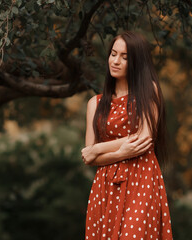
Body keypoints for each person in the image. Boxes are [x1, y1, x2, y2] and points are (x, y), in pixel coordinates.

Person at [81, 31, 173, 240]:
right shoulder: (94, 104)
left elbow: (144, 138)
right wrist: (121, 152)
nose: (116, 61)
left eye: (124, 57)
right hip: (105, 185)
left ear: (136, 63)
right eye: (113, 54)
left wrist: (98, 148)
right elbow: (89, 159)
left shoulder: (149, 92)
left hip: (142, 178)